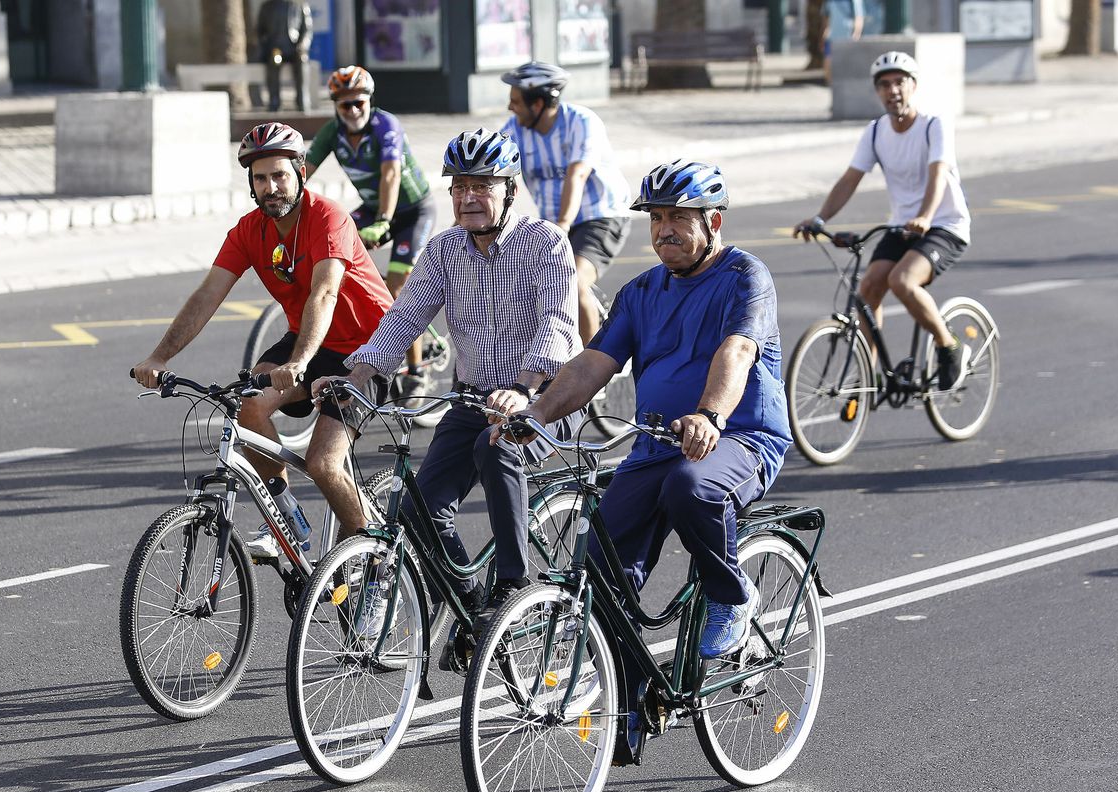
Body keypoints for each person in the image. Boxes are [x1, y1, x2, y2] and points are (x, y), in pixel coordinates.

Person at [508, 159, 791, 667]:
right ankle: (633, 697)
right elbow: (592, 364)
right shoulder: (639, 292)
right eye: (656, 218)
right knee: (601, 566)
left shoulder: (745, 276)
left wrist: (709, 415)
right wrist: (539, 412)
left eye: (678, 217)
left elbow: (738, 350)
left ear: (713, 222)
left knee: (691, 487)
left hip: (740, 437)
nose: (664, 230)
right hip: (657, 442)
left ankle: (730, 596)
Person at [315, 128, 581, 639]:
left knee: (496, 445)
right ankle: (473, 606)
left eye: (482, 185)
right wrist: (354, 376)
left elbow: (557, 325)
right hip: (474, 399)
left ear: (510, 190)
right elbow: (404, 320)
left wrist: (523, 390)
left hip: (546, 398)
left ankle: (511, 586)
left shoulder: (545, 243)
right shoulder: (444, 249)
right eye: (459, 187)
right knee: (419, 511)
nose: (467, 197)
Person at [131, 122, 393, 552]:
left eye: (279, 176)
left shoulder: (328, 218)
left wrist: (299, 362)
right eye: (260, 178)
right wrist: (159, 357)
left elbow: (324, 293)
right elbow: (207, 295)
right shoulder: (249, 230)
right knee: (248, 405)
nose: (270, 187)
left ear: (301, 173)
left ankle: (372, 559)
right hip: (310, 339)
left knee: (323, 464)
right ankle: (286, 517)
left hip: (370, 347)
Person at [793, 51, 973, 391]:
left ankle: (948, 346)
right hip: (902, 225)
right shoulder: (876, 132)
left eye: (900, 82)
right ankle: (869, 375)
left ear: (913, 86)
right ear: (877, 91)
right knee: (869, 288)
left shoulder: (933, 125)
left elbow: (938, 174)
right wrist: (819, 218)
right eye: (884, 85)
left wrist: (925, 216)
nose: (893, 91)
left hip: (944, 224)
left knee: (902, 281)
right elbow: (850, 179)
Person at [306, 65, 438, 391]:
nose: (353, 110)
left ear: (370, 101)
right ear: (336, 106)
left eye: (359, 103)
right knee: (332, 248)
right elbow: (303, 171)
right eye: (345, 104)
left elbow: (390, 174)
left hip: (412, 211)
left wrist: (383, 220)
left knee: (397, 288)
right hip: (372, 209)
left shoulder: (386, 125)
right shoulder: (331, 133)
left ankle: (416, 370)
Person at [500, 61, 633, 343]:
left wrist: (562, 225)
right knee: (527, 288)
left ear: (538, 104)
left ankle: (593, 366)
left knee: (573, 282)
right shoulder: (515, 130)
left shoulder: (581, 121)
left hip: (600, 215)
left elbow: (578, 173)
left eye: (516, 101)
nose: (510, 107)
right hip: (554, 222)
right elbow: (491, 176)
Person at [255, 0, 312, 113]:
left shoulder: (299, 6)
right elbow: (259, 31)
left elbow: (307, 31)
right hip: (276, 49)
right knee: (274, 60)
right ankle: (274, 101)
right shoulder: (267, 7)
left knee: (302, 60)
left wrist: (302, 45)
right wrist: (266, 46)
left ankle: (302, 99)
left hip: (294, 49)